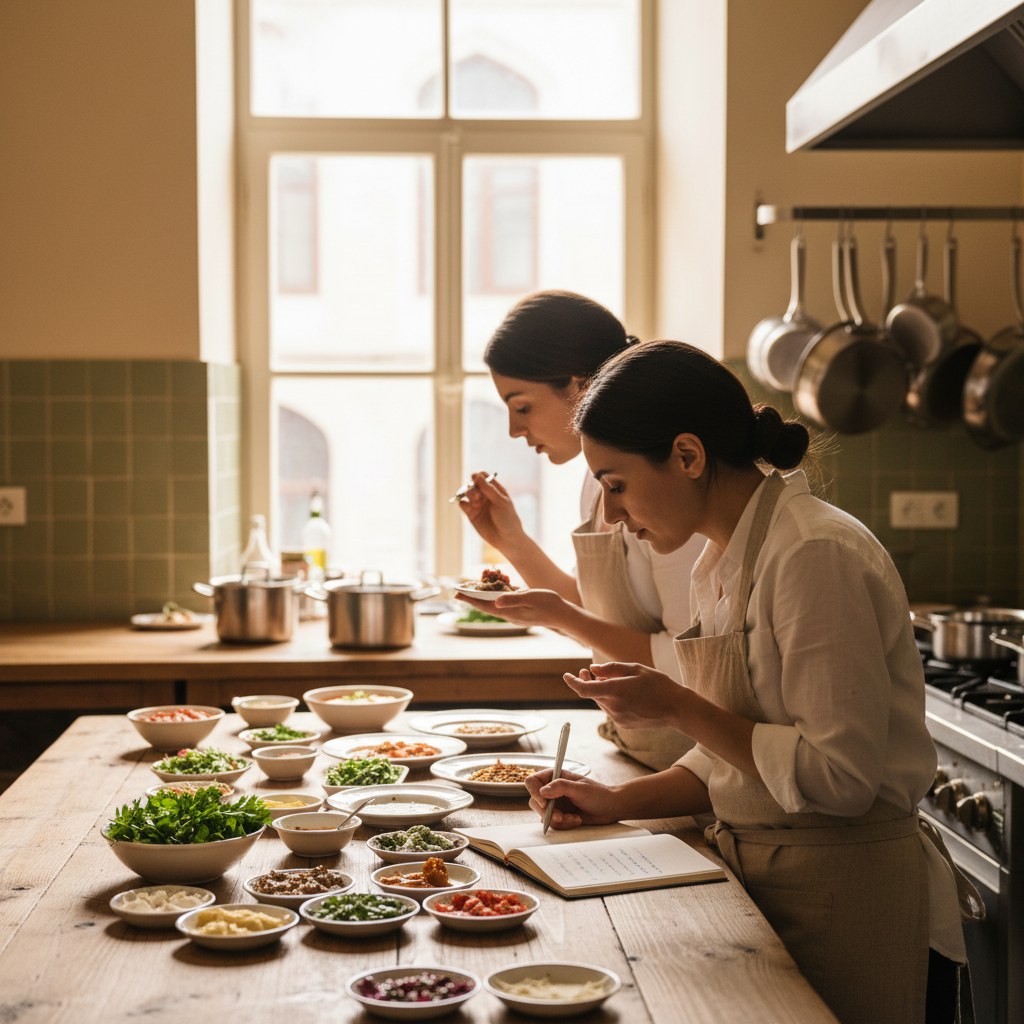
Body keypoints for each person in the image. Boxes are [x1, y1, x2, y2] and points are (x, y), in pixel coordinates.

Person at [525, 339, 978, 1024]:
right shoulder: (726, 558)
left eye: (616, 485)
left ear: (688, 455)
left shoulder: (813, 554)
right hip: (779, 885)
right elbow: (737, 752)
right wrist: (615, 801)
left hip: (851, 903)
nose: (612, 516)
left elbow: (840, 778)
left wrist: (676, 705)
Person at [456, 291, 703, 770]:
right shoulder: (596, 481)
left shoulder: (663, 485)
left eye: (522, 407)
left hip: (689, 762)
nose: (513, 430)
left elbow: (686, 661)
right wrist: (511, 541)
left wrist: (562, 616)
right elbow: (596, 611)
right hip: (638, 746)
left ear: (580, 386)